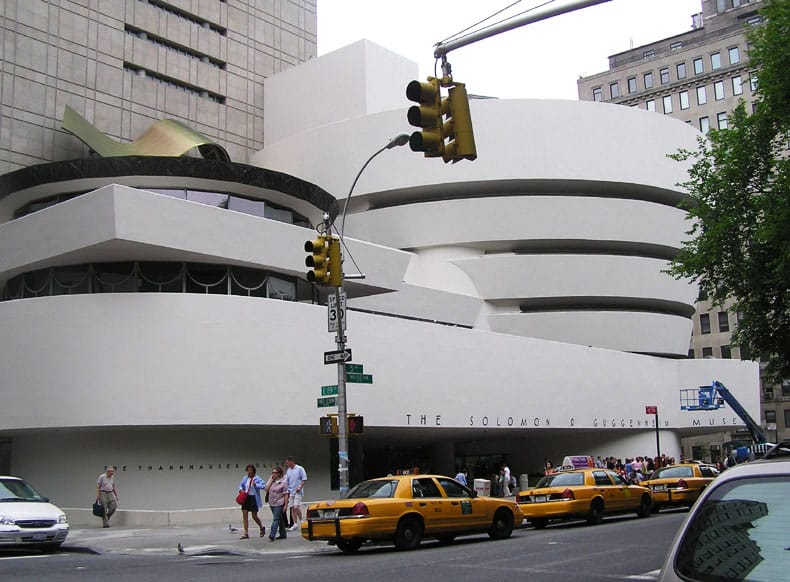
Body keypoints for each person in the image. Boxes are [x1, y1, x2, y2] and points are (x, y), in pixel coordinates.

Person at [237, 464, 266, 539]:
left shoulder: (257, 478)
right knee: (245, 514)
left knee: (254, 515)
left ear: (253, 470)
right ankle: (246, 533)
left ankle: (261, 527)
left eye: (250, 470)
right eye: (248, 470)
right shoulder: (245, 478)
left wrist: (256, 485)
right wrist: (240, 489)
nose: (249, 471)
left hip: (253, 497)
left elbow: (263, 485)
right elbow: (241, 485)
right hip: (246, 497)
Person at [264, 466, 289, 541]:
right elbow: (266, 489)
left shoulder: (283, 483)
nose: (273, 474)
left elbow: (286, 494)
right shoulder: (272, 482)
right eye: (272, 473)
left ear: (279, 474)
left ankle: (272, 534)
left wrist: (285, 505)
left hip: (279, 503)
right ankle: (283, 534)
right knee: (280, 519)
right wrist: (271, 480)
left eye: (275, 473)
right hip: (272, 503)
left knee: (276, 519)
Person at [284, 455, 307, 531]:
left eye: (288, 463)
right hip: (291, 491)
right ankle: (295, 523)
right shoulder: (288, 470)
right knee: (292, 508)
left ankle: (301, 520)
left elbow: (304, 479)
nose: (287, 464)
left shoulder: (300, 469)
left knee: (296, 506)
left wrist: (300, 487)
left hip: (298, 491)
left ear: (291, 461)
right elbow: (286, 481)